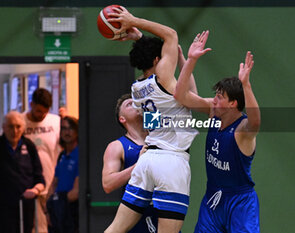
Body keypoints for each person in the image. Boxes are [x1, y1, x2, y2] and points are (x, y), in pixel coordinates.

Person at [104, 6, 198, 233]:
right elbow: (171, 34)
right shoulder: (166, 81)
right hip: (171, 162)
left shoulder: (137, 88)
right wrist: (132, 20)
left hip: (148, 161)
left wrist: (140, 39)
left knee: (115, 228)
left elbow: (188, 93)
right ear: (158, 60)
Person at [173, 31, 261, 232]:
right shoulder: (213, 112)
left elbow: (256, 122)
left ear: (233, 103)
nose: (214, 99)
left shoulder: (242, 129)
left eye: (220, 96)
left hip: (240, 202)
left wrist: (246, 85)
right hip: (213, 197)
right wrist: (189, 60)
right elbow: (182, 95)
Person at [102, 93, 160, 232]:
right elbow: (107, 184)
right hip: (136, 212)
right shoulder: (117, 146)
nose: (135, 105)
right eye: (129, 104)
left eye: (137, 102)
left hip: (162, 209)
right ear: (122, 119)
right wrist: (137, 165)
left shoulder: (158, 136)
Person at [23, 88, 61, 233]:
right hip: (29, 187)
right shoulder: (19, 123)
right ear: (31, 104)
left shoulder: (56, 122)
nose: (42, 115)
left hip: (52, 185)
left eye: (45, 111)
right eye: (38, 111)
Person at [0, 111, 45, 233]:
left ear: (23, 128)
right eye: (10, 126)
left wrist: (35, 190)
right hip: (4, 207)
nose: (14, 131)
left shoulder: (29, 146)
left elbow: (39, 178)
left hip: (26, 205)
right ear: (3, 127)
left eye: (18, 127)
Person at [46, 116, 79, 233]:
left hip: (71, 211)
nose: (67, 132)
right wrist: (49, 208)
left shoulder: (80, 154)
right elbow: (54, 183)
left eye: (70, 128)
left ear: (76, 131)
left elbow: (76, 192)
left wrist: (55, 203)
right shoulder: (62, 155)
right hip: (58, 210)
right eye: (64, 128)